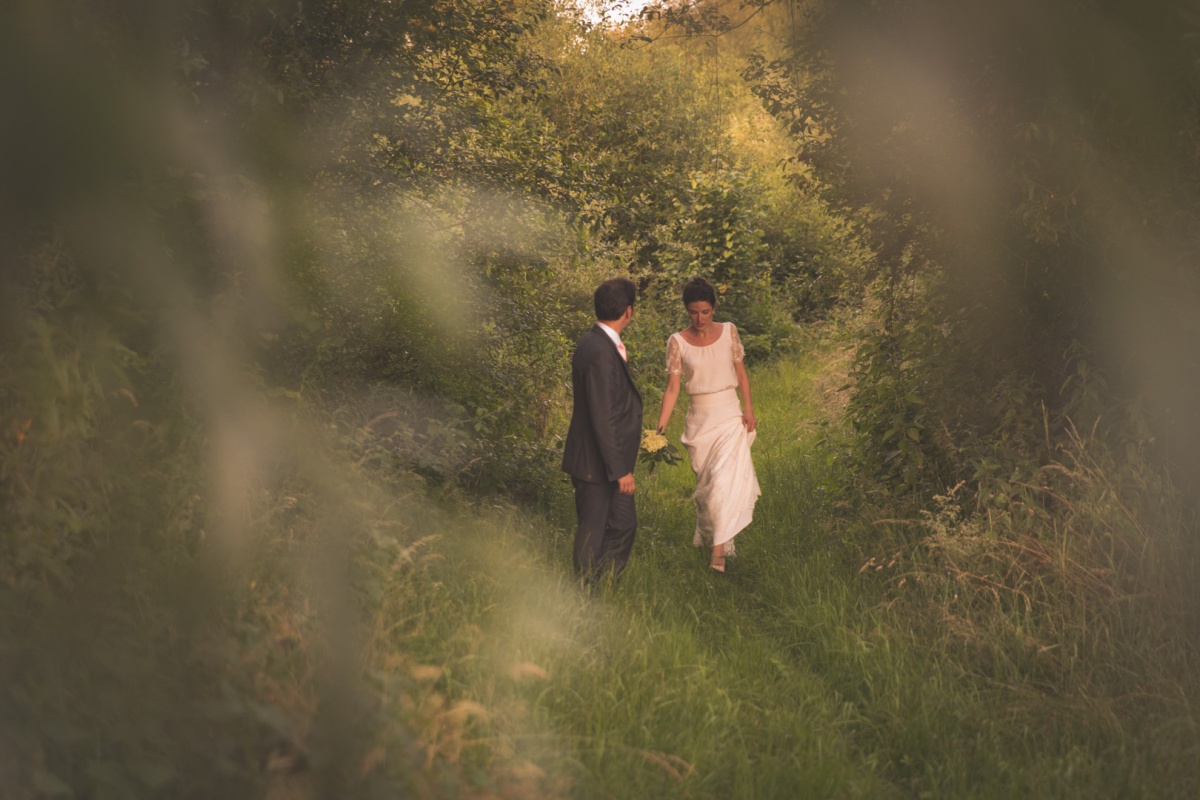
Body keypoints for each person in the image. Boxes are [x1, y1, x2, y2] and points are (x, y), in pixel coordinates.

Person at [655, 277, 760, 574]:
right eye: (693, 312)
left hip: (729, 415)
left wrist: (748, 409)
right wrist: (659, 429)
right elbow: (673, 388)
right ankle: (708, 532)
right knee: (707, 489)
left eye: (705, 311)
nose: (699, 318)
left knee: (723, 485)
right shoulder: (677, 342)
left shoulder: (729, 332)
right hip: (699, 422)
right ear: (686, 311)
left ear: (714, 307)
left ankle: (719, 555)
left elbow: (741, 375)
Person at [562, 277, 644, 583]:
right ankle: (584, 595)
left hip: (608, 463)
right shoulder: (598, 349)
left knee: (623, 525)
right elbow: (602, 415)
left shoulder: (600, 343)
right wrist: (620, 469)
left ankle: (601, 584)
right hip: (596, 464)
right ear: (628, 311)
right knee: (592, 530)